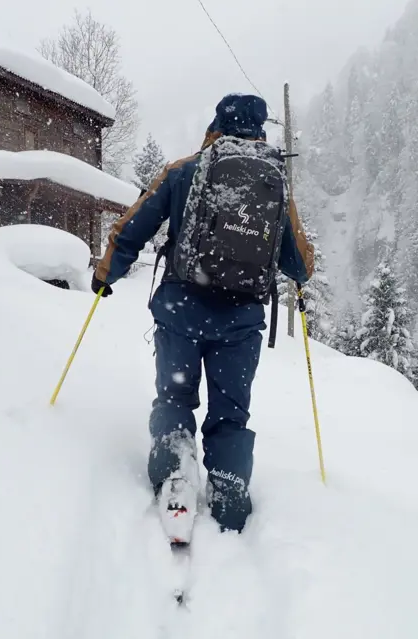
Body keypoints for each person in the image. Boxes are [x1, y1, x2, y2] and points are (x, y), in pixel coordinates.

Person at [91, 93, 314, 538]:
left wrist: (105, 274)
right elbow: (299, 264)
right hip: (242, 322)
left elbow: (132, 226)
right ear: (260, 131)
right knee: (231, 413)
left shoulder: (184, 170)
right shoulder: (273, 182)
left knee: (175, 398)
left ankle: (175, 467)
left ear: (215, 124)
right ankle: (229, 486)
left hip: (181, 310)